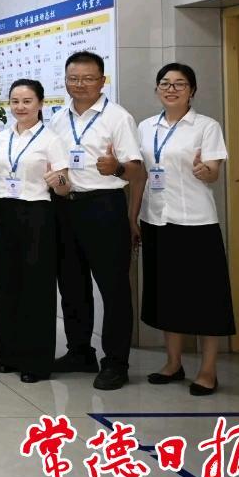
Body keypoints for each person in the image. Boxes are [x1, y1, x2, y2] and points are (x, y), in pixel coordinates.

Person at [48, 50, 145, 391]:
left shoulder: (118, 118)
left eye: (88, 79)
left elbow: (137, 170)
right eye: (73, 78)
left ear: (102, 81)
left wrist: (116, 168)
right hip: (66, 207)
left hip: (104, 206)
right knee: (72, 284)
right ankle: (80, 351)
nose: (80, 85)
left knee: (114, 287)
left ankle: (116, 362)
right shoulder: (58, 119)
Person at [135, 63, 233, 396]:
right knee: (167, 295)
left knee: (207, 298)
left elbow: (214, 172)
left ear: (192, 90)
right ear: (157, 89)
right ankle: (173, 363)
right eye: (165, 83)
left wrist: (207, 171)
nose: (171, 89)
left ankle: (208, 370)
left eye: (180, 83)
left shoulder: (206, 126)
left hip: (195, 222)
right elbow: (142, 174)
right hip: (156, 219)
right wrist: (134, 216)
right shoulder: (146, 127)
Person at [0, 79, 71, 383]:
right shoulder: (0, 138)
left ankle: (36, 361)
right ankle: (8, 354)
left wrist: (57, 181)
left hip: (37, 213)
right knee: (6, 284)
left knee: (36, 289)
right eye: (15, 101)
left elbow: (65, 187)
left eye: (27, 101)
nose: (20, 107)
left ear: (40, 104)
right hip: (4, 212)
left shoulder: (51, 139)